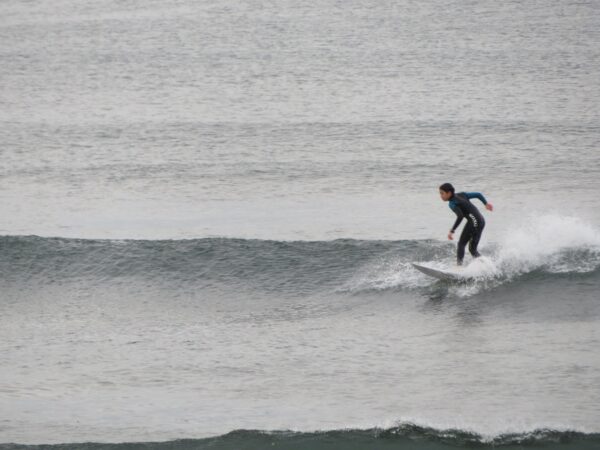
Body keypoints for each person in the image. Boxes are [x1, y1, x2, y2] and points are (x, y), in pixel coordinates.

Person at [439, 183, 493, 265]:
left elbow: (460, 216)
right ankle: (487, 265)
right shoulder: (462, 194)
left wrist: (452, 230)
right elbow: (478, 194)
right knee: (472, 250)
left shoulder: (452, 203)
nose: (441, 196)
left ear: (449, 193)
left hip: (474, 222)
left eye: (442, 193)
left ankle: (458, 267)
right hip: (481, 221)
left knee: (461, 244)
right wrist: (486, 203)